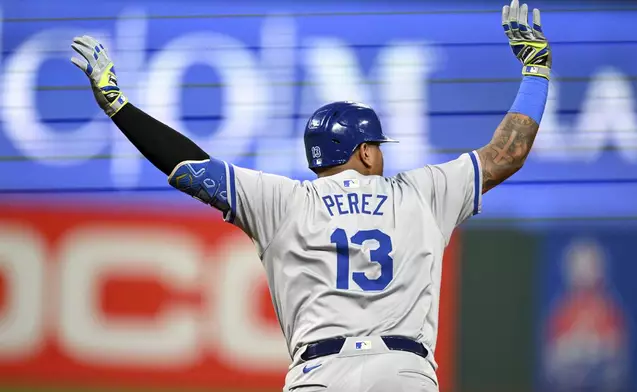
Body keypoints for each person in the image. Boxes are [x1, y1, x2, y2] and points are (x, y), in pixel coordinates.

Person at [70, 0, 551, 390]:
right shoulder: (421, 194)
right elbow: (506, 154)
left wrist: (118, 106)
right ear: (364, 153)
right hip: (403, 373)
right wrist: (535, 72)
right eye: (376, 147)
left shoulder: (284, 201)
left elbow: (189, 166)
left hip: (319, 375)